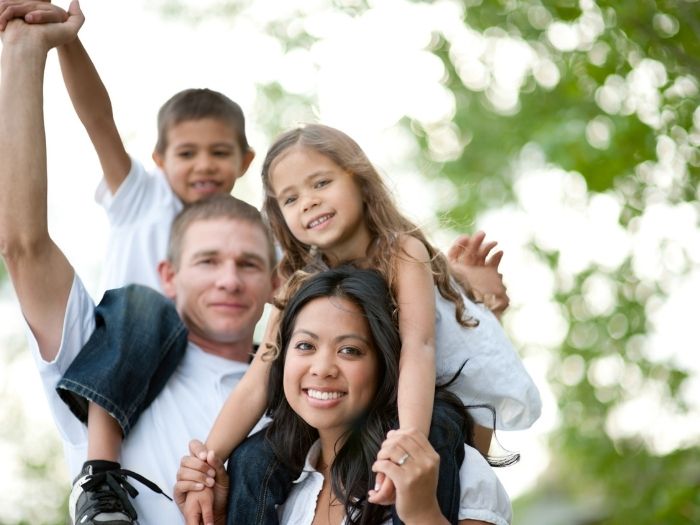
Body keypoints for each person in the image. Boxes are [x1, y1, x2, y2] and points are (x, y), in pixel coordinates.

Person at [0, 7, 278, 524]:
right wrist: (29, 49)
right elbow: (23, 241)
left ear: (276, 279)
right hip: (126, 345)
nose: (227, 278)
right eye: (207, 259)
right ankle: (102, 476)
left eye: (248, 263)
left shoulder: (292, 389)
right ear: (169, 274)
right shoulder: (102, 353)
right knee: (141, 308)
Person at [182, 124, 540, 522]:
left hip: (435, 393)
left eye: (320, 183)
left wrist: (408, 442)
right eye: (291, 197)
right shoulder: (303, 278)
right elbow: (259, 375)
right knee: (254, 457)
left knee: (433, 431)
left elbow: (418, 350)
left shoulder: (402, 251)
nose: (309, 203)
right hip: (366, 402)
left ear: (358, 179)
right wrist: (208, 462)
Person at [176, 266, 512, 525]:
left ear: (386, 364)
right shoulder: (277, 485)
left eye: (350, 350)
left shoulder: (456, 470)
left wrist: (424, 512)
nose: (323, 368)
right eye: (305, 345)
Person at [0, 0, 256, 294]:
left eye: (220, 152)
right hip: (124, 335)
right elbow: (99, 121)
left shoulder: (249, 230)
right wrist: (68, 41)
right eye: (187, 153)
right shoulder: (141, 196)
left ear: (245, 161)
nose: (204, 164)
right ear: (159, 160)